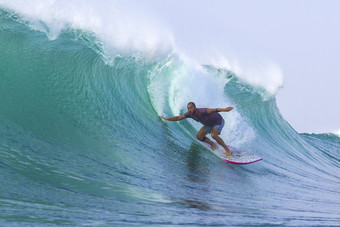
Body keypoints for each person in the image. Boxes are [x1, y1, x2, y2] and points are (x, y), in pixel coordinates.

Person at [160, 102, 233, 157]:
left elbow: (214, 110)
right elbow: (179, 117)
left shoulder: (202, 111)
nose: (189, 110)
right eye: (188, 108)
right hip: (208, 124)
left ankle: (227, 151)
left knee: (213, 135)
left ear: (195, 107)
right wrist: (167, 119)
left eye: (191, 107)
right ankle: (213, 145)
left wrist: (225, 109)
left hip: (218, 121)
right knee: (199, 137)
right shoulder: (189, 114)